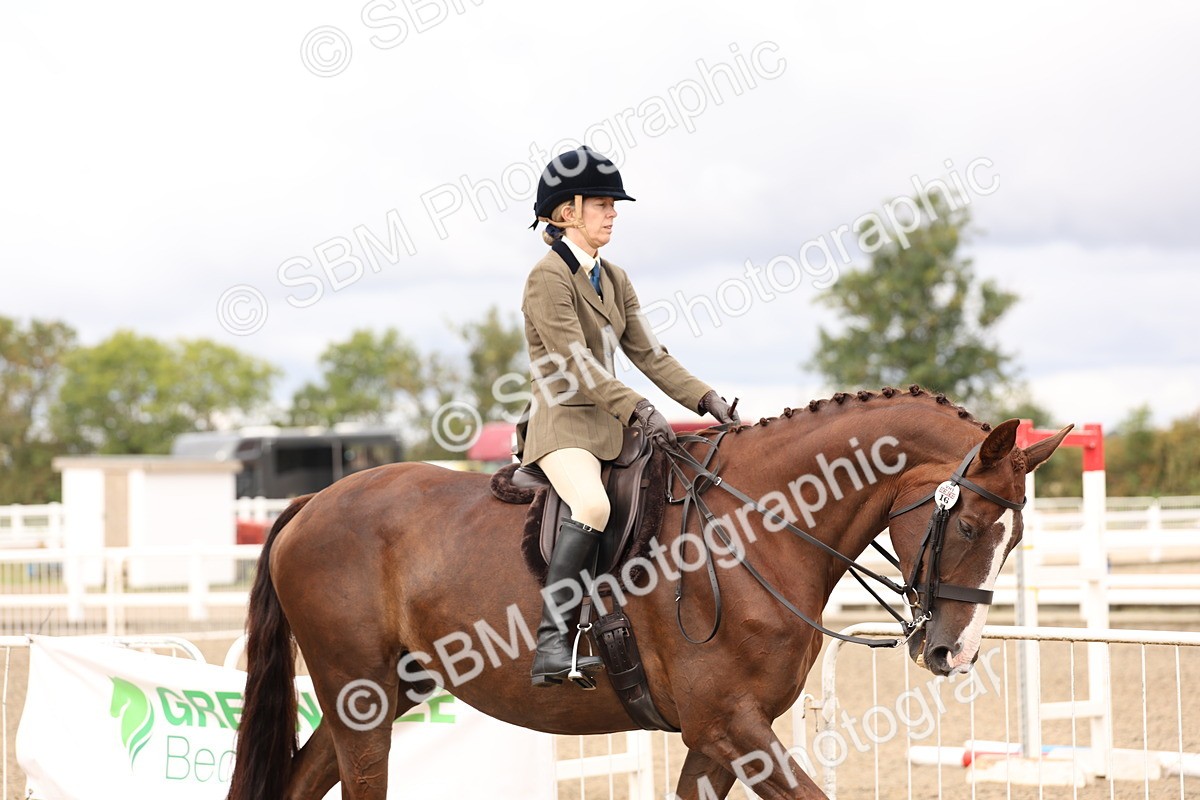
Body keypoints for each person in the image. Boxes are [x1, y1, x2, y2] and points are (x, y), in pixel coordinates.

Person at [519, 146, 740, 687]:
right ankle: (551, 642)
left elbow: (649, 355)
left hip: (612, 429)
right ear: (566, 212)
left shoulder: (615, 278)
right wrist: (639, 407)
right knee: (592, 504)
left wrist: (705, 399)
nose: (613, 213)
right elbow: (578, 365)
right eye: (601, 204)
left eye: (614, 205)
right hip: (564, 424)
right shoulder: (547, 279)